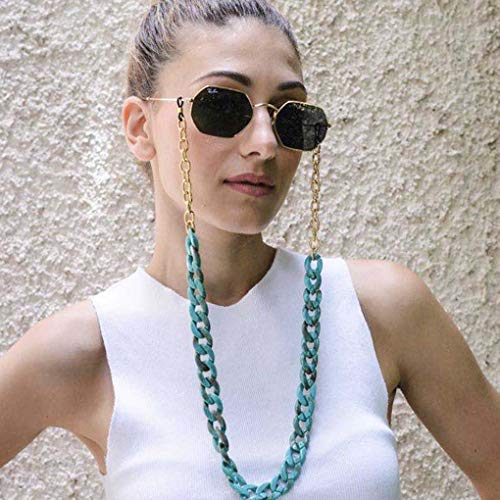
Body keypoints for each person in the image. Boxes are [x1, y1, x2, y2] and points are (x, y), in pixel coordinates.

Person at [1, 1, 498, 499]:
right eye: (222, 106)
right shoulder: (88, 349)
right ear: (140, 127)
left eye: (290, 116)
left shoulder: (382, 310)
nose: (265, 143)